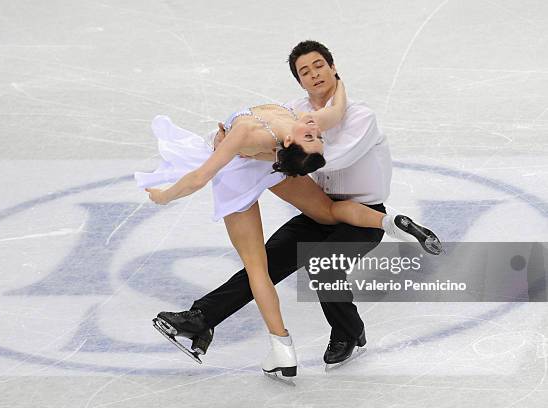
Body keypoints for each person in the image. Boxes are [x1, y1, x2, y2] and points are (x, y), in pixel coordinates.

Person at [136, 41, 441, 377]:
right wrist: (230, 147)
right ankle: (202, 319)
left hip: (361, 213)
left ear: (333, 67)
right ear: (299, 81)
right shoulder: (298, 115)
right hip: (316, 211)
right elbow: (293, 148)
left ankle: (349, 333)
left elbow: (327, 159)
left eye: (319, 65)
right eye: (304, 72)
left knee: (323, 264)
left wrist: (249, 153)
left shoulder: (360, 117)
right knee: (264, 264)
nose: (314, 74)